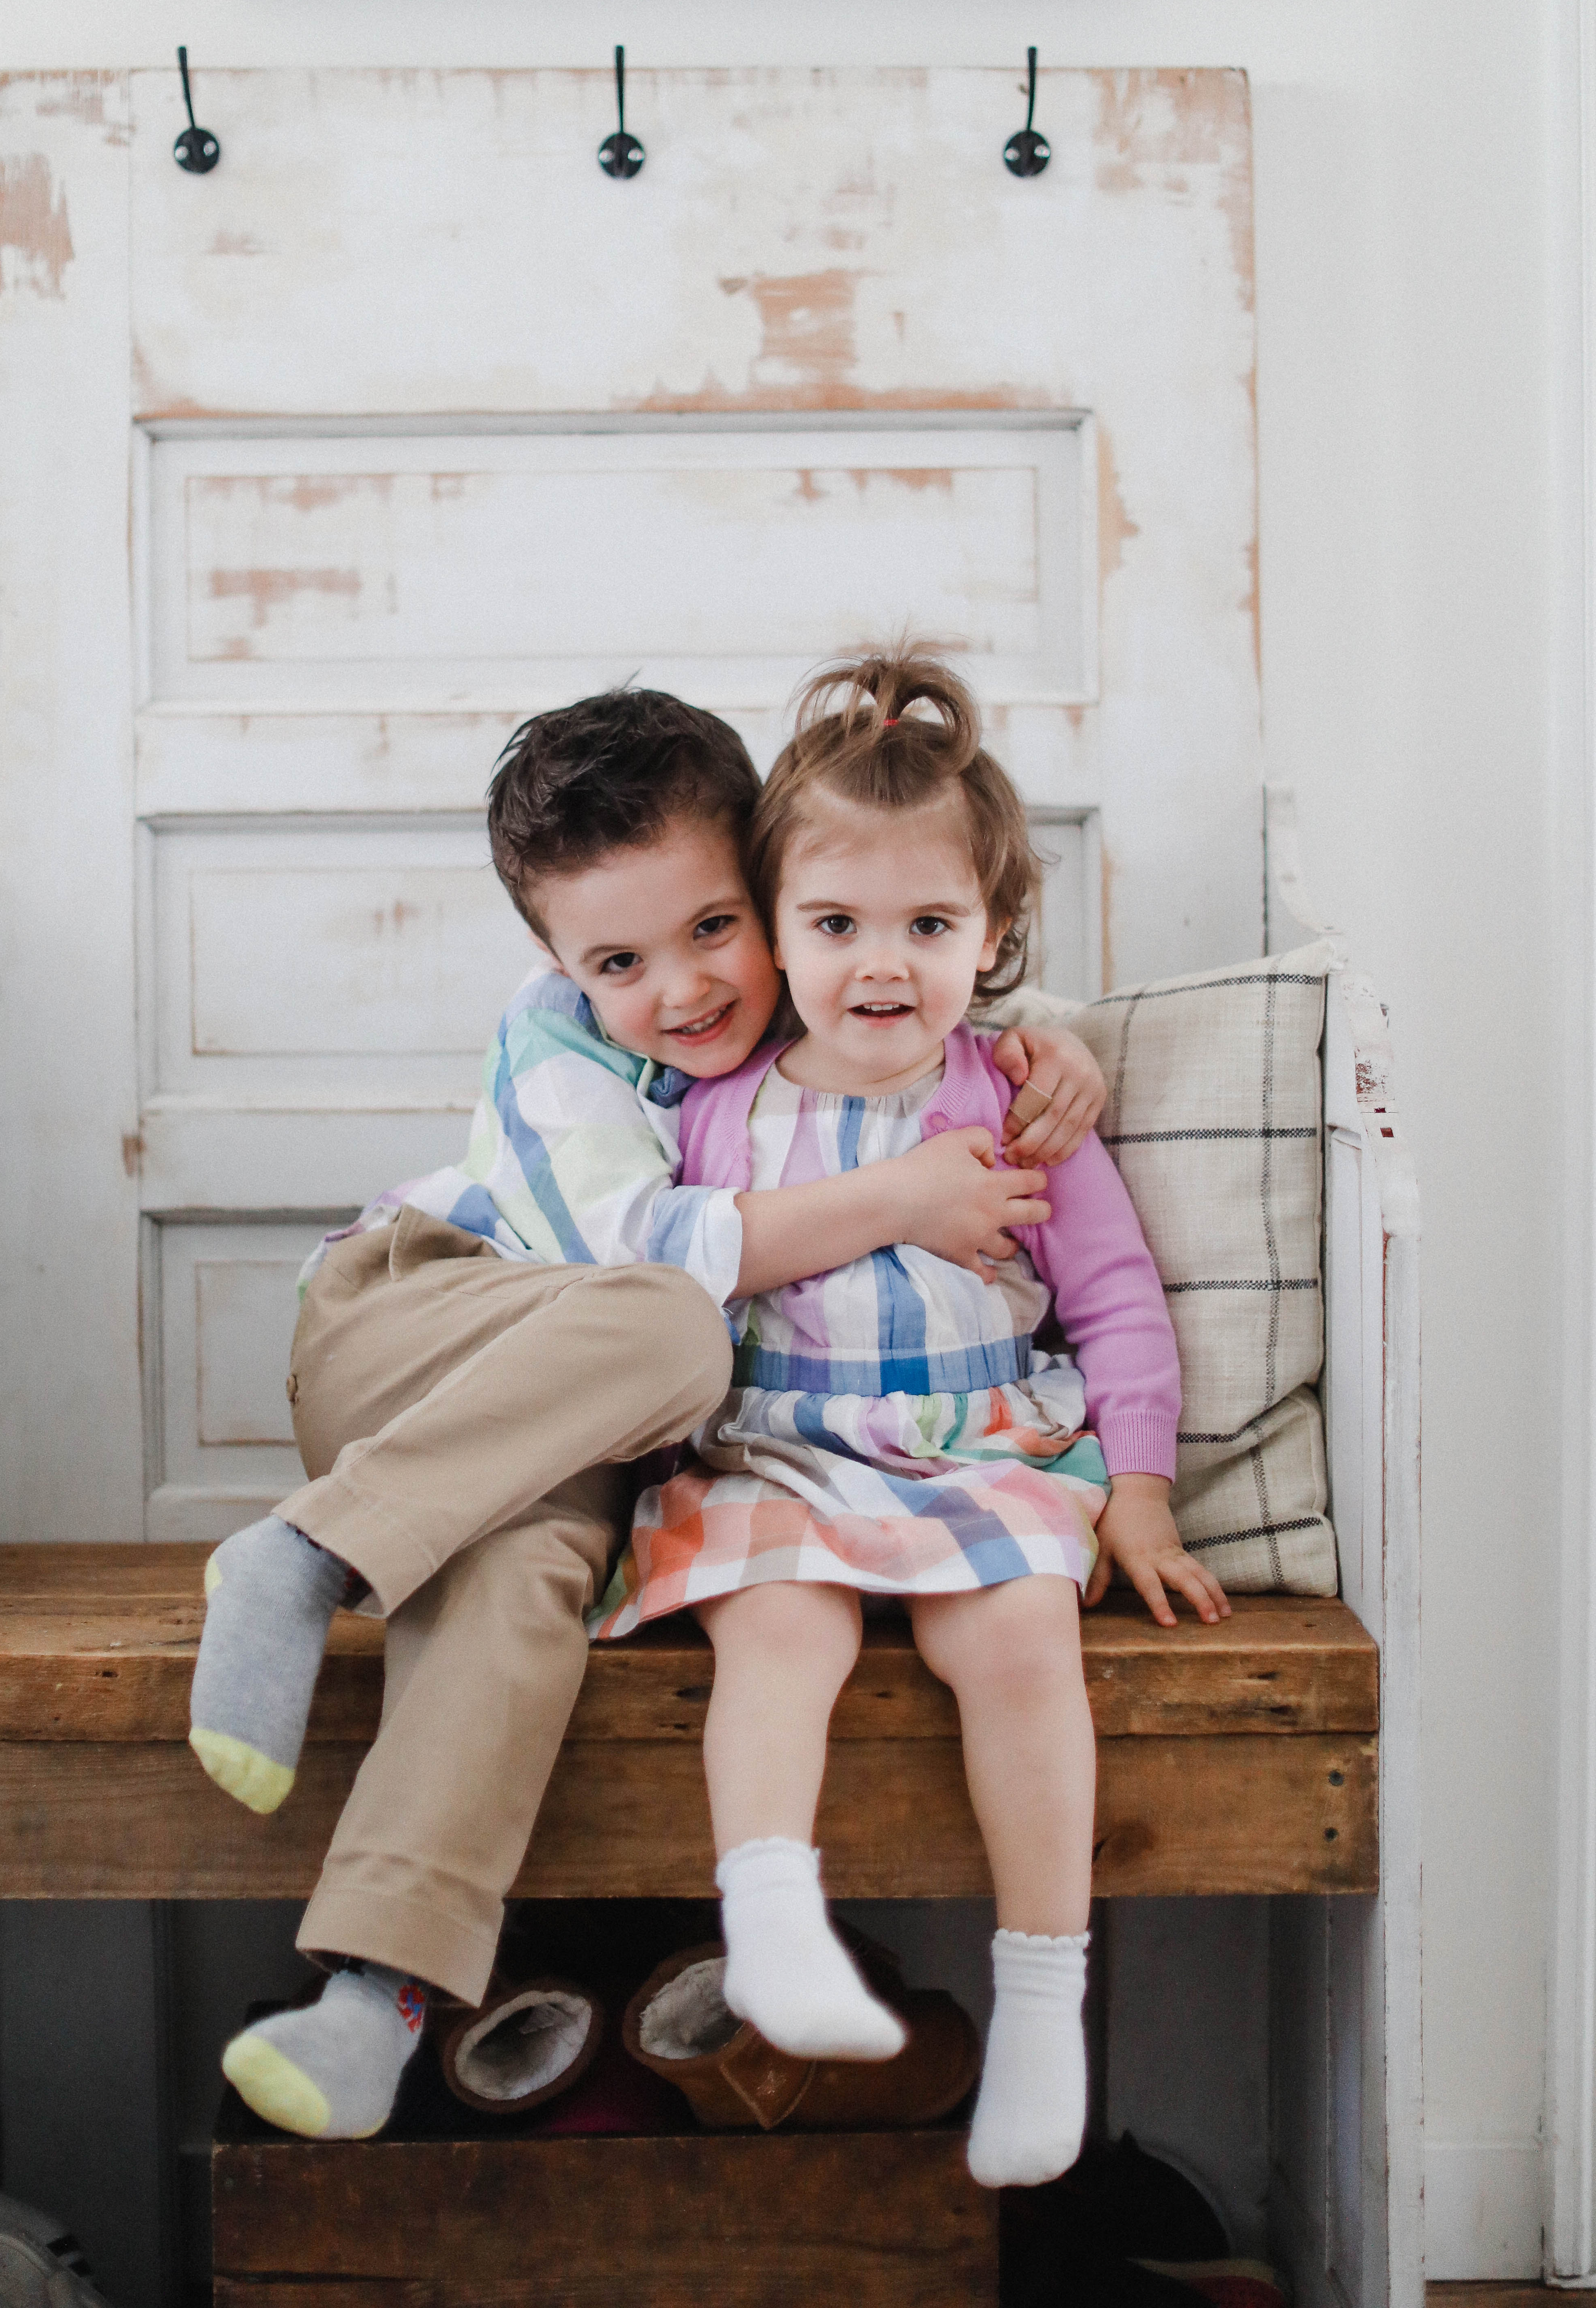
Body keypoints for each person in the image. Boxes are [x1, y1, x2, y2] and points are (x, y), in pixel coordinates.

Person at [187, 683, 1108, 2140]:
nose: (682, 989)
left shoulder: (803, 1004)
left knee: (529, 1579)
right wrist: (906, 1199)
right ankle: (301, 1556)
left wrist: (1062, 1054)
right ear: (559, 963)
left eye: (712, 929)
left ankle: (375, 1996)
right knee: (670, 1321)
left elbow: (925, 958)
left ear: (767, 880)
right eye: (619, 958)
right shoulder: (563, 1049)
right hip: (414, 1334)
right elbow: (653, 1258)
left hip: (553, 1447)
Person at [589, 644, 1230, 2189]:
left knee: (1018, 1633)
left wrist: (1135, 1487)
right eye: (836, 924)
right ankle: (772, 1922)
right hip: (781, 1452)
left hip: (980, 1443)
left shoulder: (1015, 1099)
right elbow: (647, 1266)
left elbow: (1121, 1303)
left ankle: (1038, 2005)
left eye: (930, 926)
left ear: (996, 936)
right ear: (772, 930)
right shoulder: (715, 1102)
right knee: (776, 1619)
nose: (883, 964)